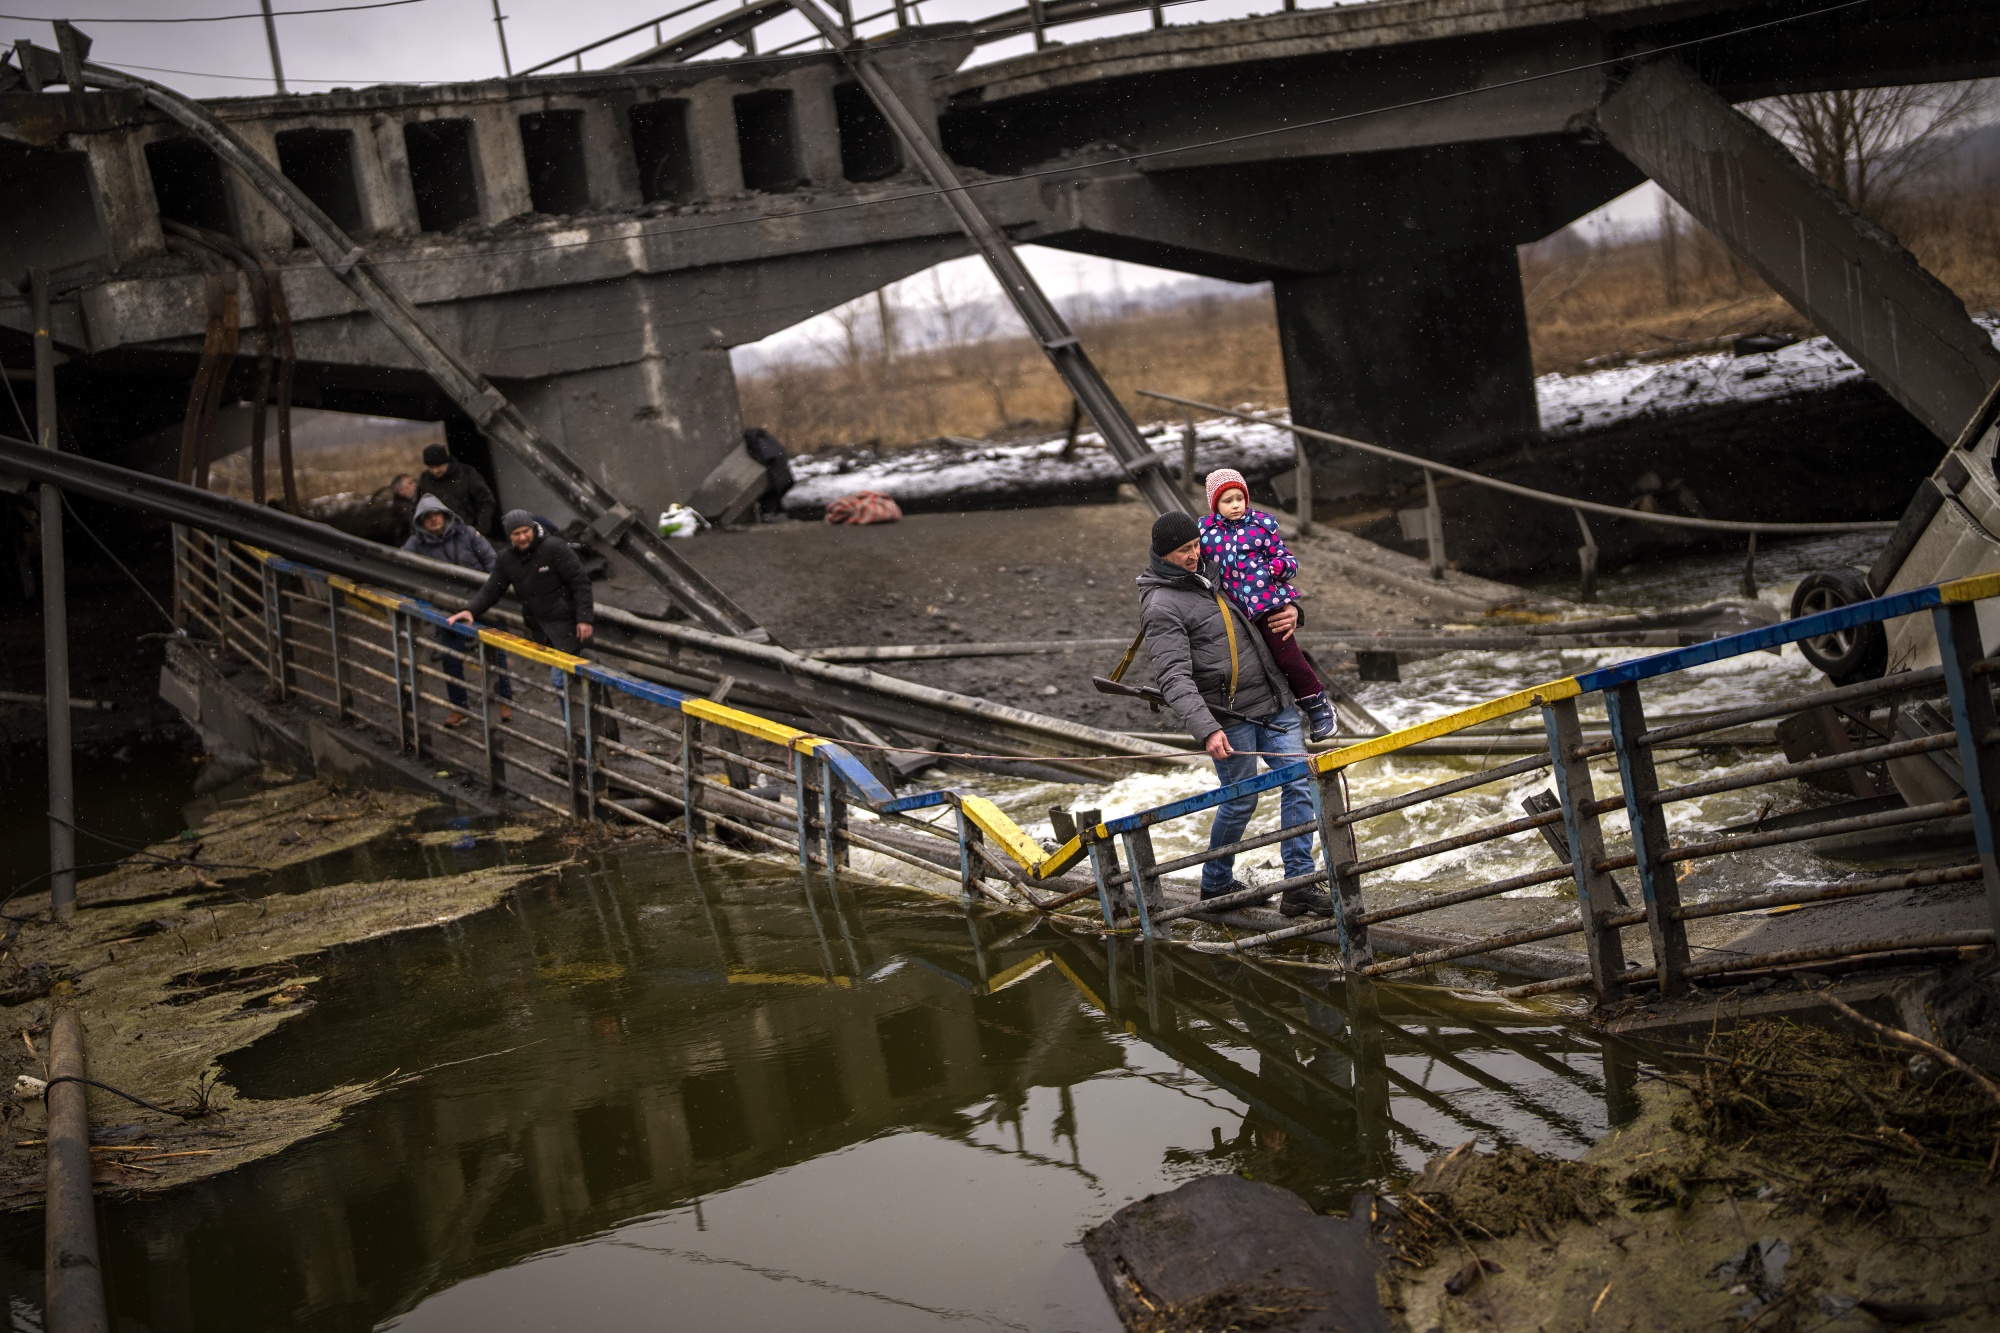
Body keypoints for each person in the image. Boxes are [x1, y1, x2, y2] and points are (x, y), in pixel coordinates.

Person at [1137, 511, 1333, 916]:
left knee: (1298, 784)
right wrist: (1207, 729)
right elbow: (1173, 677)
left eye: (1194, 546)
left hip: (1275, 702)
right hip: (1228, 717)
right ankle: (1215, 884)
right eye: (1182, 552)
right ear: (1161, 554)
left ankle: (1299, 884)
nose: (1193, 555)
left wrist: (1294, 611)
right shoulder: (1161, 605)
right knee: (1242, 800)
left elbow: (1266, 597)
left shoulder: (1219, 570)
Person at [1199, 468, 1337, 742]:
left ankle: (1318, 706)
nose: (1236, 505)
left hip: (1266, 604)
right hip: (1233, 612)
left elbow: (1289, 560)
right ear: (1215, 504)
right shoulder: (1205, 532)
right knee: (1254, 663)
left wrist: (1277, 567)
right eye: (1228, 501)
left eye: (1240, 498)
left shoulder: (1262, 526)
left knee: (1286, 655)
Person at [402, 493, 509, 726]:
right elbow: (401, 569)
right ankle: (459, 708)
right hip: (447, 608)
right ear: (420, 522)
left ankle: (503, 701)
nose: (433, 520)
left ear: (444, 515)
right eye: (427, 517)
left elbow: (493, 564)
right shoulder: (415, 545)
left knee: (496, 654)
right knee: (450, 657)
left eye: (436, 515)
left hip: (482, 602)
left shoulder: (468, 534)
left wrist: (490, 595)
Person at [416, 443, 497, 535]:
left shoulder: (466, 474)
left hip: (467, 531)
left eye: (438, 466)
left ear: (446, 462)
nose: (435, 471)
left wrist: (480, 529)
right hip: (438, 536)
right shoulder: (425, 480)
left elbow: (486, 500)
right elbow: (416, 508)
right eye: (431, 467)